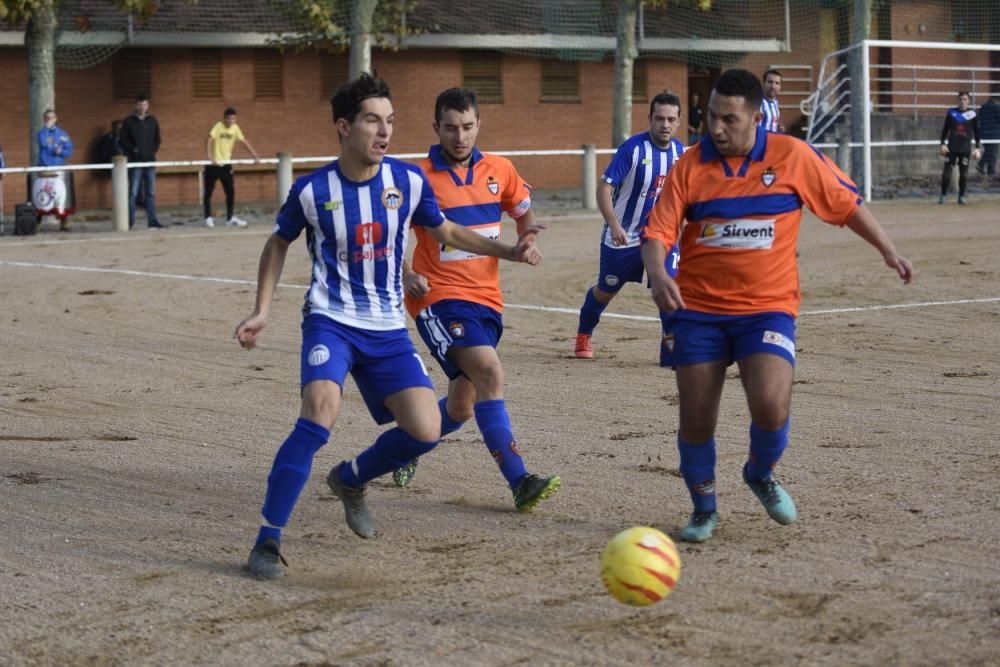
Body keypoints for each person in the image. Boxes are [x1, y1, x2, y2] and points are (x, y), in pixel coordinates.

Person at [235, 73, 544, 580]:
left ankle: (351, 478)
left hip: (386, 326)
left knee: (425, 429)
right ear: (344, 127)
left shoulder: (407, 181)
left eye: (391, 121)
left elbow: (444, 230)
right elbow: (278, 242)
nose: (384, 132)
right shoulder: (312, 190)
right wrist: (262, 309)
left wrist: (509, 249)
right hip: (331, 321)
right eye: (373, 121)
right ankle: (267, 541)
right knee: (320, 412)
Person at [641, 69, 914, 544]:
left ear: (755, 119)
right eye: (710, 118)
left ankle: (759, 472)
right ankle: (704, 508)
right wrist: (660, 273)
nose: (717, 129)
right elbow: (656, 234)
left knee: (770, 404)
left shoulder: (792, 155)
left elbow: (846, 205)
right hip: (698, 311)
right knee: (696, 417)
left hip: (766, 309)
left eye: (729, 119)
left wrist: (888, 249)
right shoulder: (689, 166)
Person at [389, 87, 560, 509]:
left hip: (487, 299)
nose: (460, 136)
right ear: (436, 129)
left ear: (478, 124)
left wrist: (529, 236)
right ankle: (520, 482)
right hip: (438, 299)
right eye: (450, 128)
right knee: (489, 373)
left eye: (467, 127)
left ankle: (403, 446)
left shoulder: (499, 169)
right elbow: (389, 235)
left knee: (463, 408)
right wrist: (408, 273)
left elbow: (522, 210)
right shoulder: (417, 178)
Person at [574, 92, 684, 364]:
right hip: (623, 236)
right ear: (650, 119)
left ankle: (671, 348)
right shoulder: (632, 149)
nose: (665, 125)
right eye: (659, 118)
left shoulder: (681, 153)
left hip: (662, 236)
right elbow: (605, 188)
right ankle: (584, 333)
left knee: (669, 285)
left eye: (671, 119)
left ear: (679, 121)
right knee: (605, 290)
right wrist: (613, 225)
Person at [204, 107, 261, 228]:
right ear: (224, 118)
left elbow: (244, 141)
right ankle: (208, 217)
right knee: (208, 192)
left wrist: (254, 155)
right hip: (213, 165)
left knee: (230, 192)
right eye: (229, 119)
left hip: (226, 165)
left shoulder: (235, 129)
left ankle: (229, 218)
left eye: (233, 119)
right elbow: (209, 139)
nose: (231, 121)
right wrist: (209, 156)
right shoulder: (218, 126)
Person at [119, 94, 164, 228]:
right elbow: (122, 140)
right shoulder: (128, 121)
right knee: (133, 193)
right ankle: (129, 221)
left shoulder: (152, 120)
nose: (142, 107)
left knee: (151, 192)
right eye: (139, 104)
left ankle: (152, 220)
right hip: (135, 162)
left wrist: (151, 151)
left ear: (148, 105)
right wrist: (133, 150)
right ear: (135, 105)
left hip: (150, 161)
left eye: (144, 104)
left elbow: (157, 139)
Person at [34, 109, 75, 231]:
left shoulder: (63, 134)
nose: (49, 120)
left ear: (56, 119)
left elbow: (69, 152)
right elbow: (43, 143)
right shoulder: (41, 133)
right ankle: (38, 221)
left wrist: (61, 151)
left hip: (58, 168)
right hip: (44, 168)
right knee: (42, 194)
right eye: (46, 118)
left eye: (51, 118)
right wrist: (46, 129)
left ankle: (63, 220)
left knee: (59, 194)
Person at [939, 91, 982, 205]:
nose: (962, 101)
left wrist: (977, 147)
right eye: (960, 99)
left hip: (965, 148)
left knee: (963, 174)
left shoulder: (972, 114)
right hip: (951, 148)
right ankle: (943, 195)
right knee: (946, 173)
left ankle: (961, 196)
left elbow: (977, 132)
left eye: (965, 99)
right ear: (957, 100)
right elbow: (945, 129)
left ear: (968, 101)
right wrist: (942, 143)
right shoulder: (952, 113)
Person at [975, 94, 998, 176]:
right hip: (994, 134)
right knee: (992, 153)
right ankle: (989, 170)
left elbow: (978, 118)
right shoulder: (997, 108)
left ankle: (987, 169)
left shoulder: (983, 107)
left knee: (989, 151)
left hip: (984, 133)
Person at [760, 69, 783, 133]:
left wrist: (778, 128)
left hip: (773, 141)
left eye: (777, 83)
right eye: (770, 82)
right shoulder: (757, 103)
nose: (773, 86)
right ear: (764, 83)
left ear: (780, 87)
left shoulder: (775, 103)